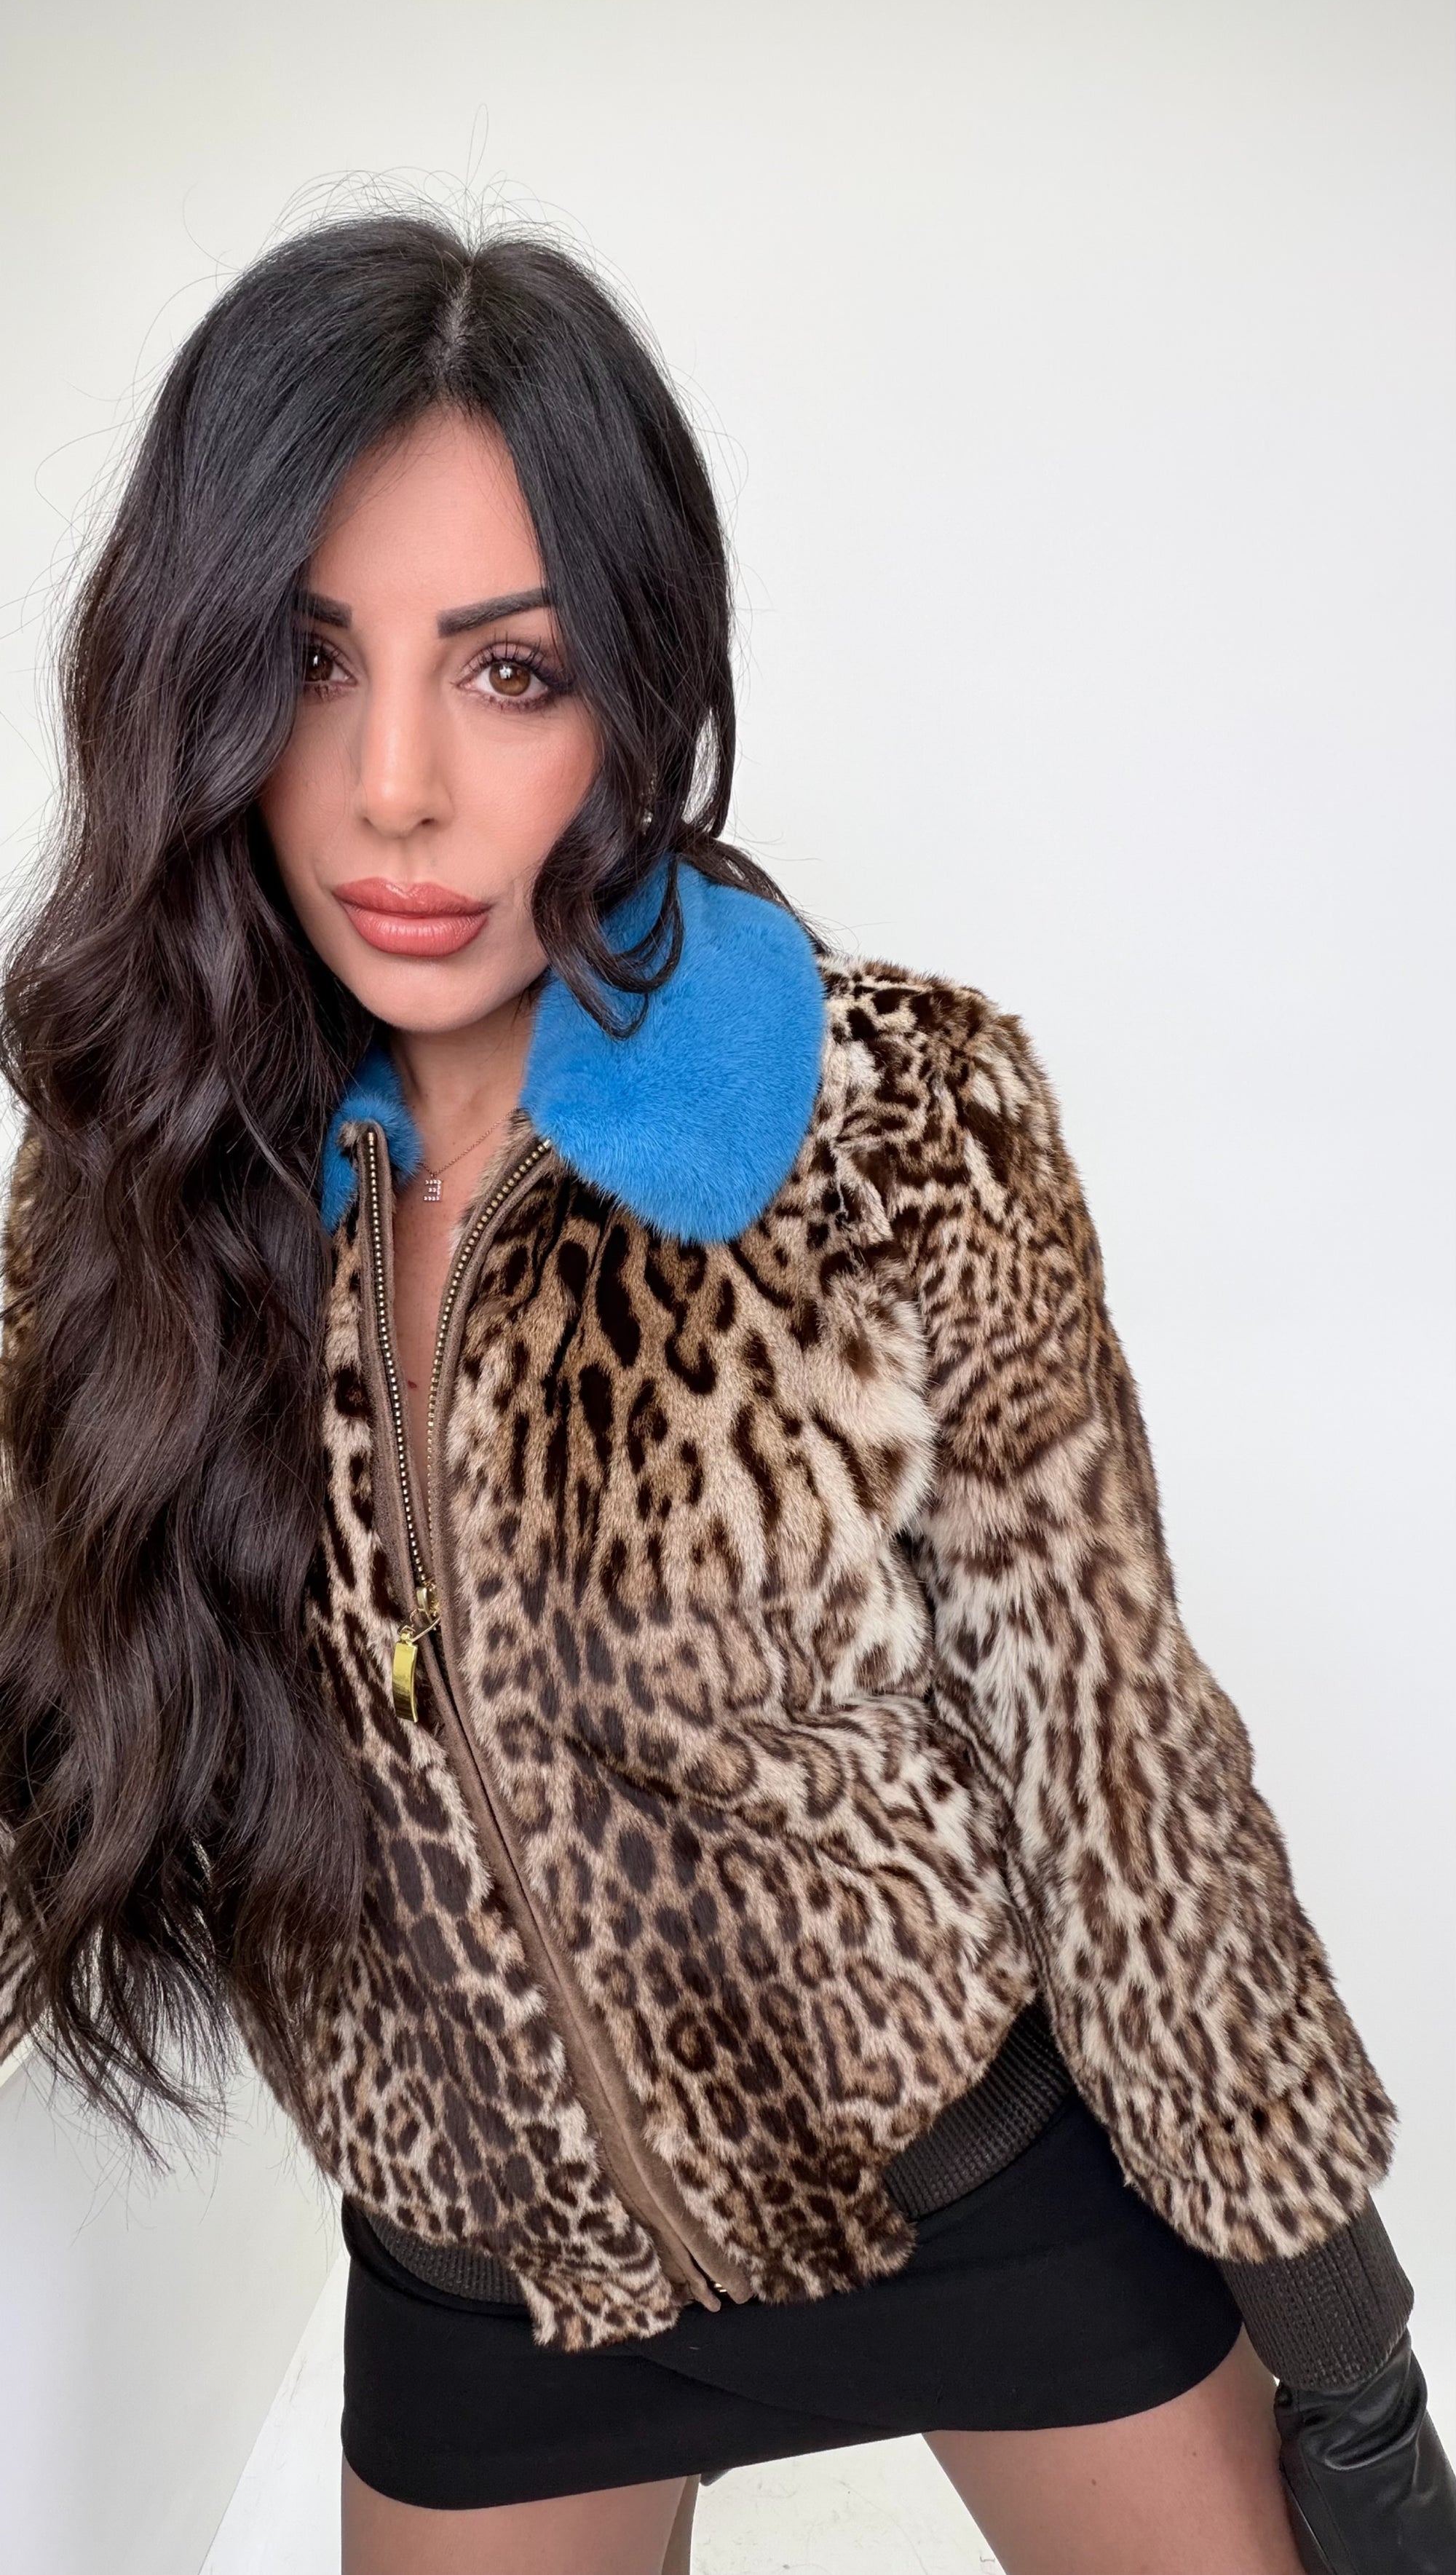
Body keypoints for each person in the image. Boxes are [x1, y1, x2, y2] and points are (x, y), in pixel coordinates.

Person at [0, 212, 1449, 2575]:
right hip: (492, 2292)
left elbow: (1121, 1773)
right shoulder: (143, 1193)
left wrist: (1349, 2354)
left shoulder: (902, 1127)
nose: (391, 788)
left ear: (635, 685)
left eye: (508, 671)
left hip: (974, 2200)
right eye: (311, 660)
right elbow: (35, 1724)